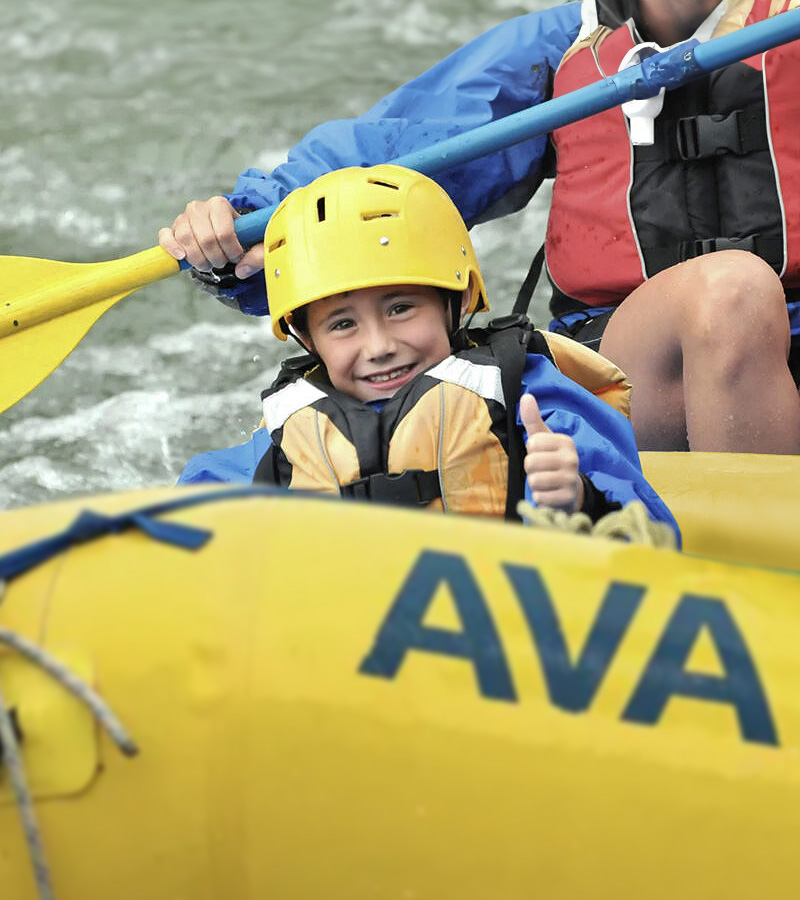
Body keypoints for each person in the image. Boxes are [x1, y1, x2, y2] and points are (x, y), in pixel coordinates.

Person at [159, 0, 800, 454]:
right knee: (730, 295)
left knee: (734, 296)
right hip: (630, 368)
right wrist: (242, 224)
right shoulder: (557, 51)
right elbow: (380, 169)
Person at [178, 164, 680, 542]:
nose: (379, 347)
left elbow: (652, 530)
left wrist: (577, 498)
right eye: (343, 324)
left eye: (400, 309)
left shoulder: (531, 399)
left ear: (458, 299)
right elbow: (197, 505)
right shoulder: (291, 432)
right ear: (306, 338)